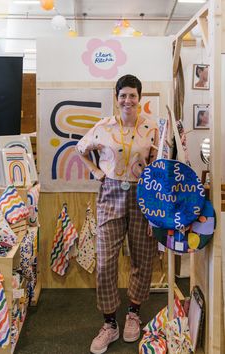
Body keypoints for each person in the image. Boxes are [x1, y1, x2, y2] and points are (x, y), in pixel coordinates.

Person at [76, 74, 159, 354]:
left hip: (142, 196)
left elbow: (157, 164)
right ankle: (109, 323)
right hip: (110, 194)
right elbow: (80, 149)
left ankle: (133, 313)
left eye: (132, 95)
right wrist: (97, 171)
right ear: (116, 97)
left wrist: (156, 209)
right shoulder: (102, 127)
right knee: (106, 262)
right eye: (122, 95)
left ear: (140, 98)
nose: (127, 100)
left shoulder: (150, 127)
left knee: (143, 257)